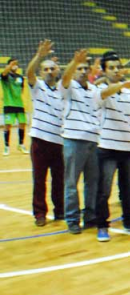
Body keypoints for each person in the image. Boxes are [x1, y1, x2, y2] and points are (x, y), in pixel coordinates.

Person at [94, 51, 130, 241]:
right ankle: (102, 225)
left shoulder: (128, 94)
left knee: (129, 189)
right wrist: (120, 85)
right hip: (107, 147)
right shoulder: (99, 89)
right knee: (104, 190)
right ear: (104, 71)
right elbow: (104, 93)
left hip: (128, 149)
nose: (116, 70)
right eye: (111, 68)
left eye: (118, 67)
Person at [59, 48, 100, 234]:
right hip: (74, 140)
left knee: (92, 182)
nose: (83, 71)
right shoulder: (68, 87)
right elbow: (65, 77)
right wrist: (74, 62)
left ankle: (90, 216)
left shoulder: (94, 89)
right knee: (71, 183)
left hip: (93, 141)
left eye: (85, 68)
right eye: (79, 69)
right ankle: (72, 219)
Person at [26, 40, 65, 226]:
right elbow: (29, 73)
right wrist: (39, 56)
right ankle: (40, 213)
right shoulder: (37, 87)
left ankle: (60, 211)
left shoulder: (64, 90)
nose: (49, 71)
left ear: (58, 71)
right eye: (46, 69)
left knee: (59, 180)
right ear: (41, 72)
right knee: (39, 180)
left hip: (60, 143)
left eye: (52, 68)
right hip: (40, 141)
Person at [2, 57, 28, 155]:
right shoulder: (5, 76)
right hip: (9, 104)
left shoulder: (20, 77)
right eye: (13, 64)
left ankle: (21, 145)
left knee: (22, 123)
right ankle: (7, 147)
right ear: (9, 65)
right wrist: (10, 65)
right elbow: (4, 73)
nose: (15, 66)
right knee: (7, 125)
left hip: (19, 104)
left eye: (16, 64)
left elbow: (21, 89)